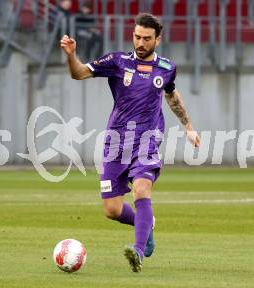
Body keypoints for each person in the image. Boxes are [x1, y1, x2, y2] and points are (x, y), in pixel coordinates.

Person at [60, 13, 200, 272]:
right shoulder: (116, 61)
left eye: (147, 38)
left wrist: (188, 127)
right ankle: (146, 226)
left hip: (147, 139)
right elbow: (78, 74)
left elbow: (172, 97)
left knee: (141, 190)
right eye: (137, 37)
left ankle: (137, 252)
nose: (140, 42)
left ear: (158, 40)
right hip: (115, 141)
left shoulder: (166, 68)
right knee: (112, 210)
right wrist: (71, 54)